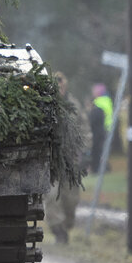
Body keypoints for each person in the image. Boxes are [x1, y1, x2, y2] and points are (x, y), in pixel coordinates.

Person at [48, 72, 86, 244]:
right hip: (51, 160)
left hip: (71, 160)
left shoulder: (74, 106)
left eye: (62, 85)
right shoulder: (47, 105)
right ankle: (58, 231)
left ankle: (67, 226)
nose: (60, 89)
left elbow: (85, 131)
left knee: (71, 199)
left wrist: (86, 153)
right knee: (52, 195)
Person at [88, 83, 112, 173]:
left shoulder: (99, 102)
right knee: (103, 150)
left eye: (94, 90)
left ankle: (98, 168)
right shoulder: (107, 100)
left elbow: (94, 117)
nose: (92, 92)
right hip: (106, 128)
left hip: (100, 129)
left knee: (98, 150)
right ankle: (104, 167)